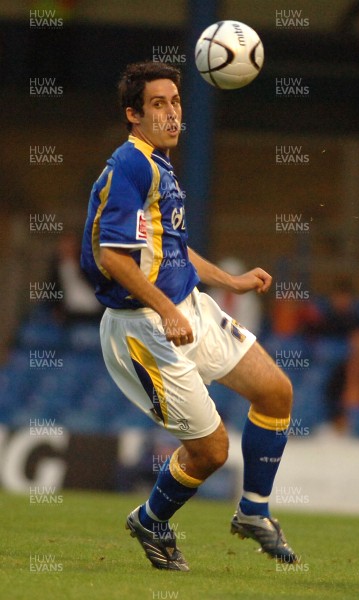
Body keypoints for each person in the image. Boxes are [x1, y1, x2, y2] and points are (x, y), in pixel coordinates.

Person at [81, 61, 296, 571]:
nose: (172, 113)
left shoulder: (161, 164)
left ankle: (254, 512)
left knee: (276, 392)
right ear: (134, 115)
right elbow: (114, 256)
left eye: (176, 103)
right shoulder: (130, 164)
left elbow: (171, 248)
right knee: (212, 451)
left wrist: (231, 281)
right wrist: (163, 309)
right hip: (143, 329)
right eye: (158, 104)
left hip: (188, 309)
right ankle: (151, 521)